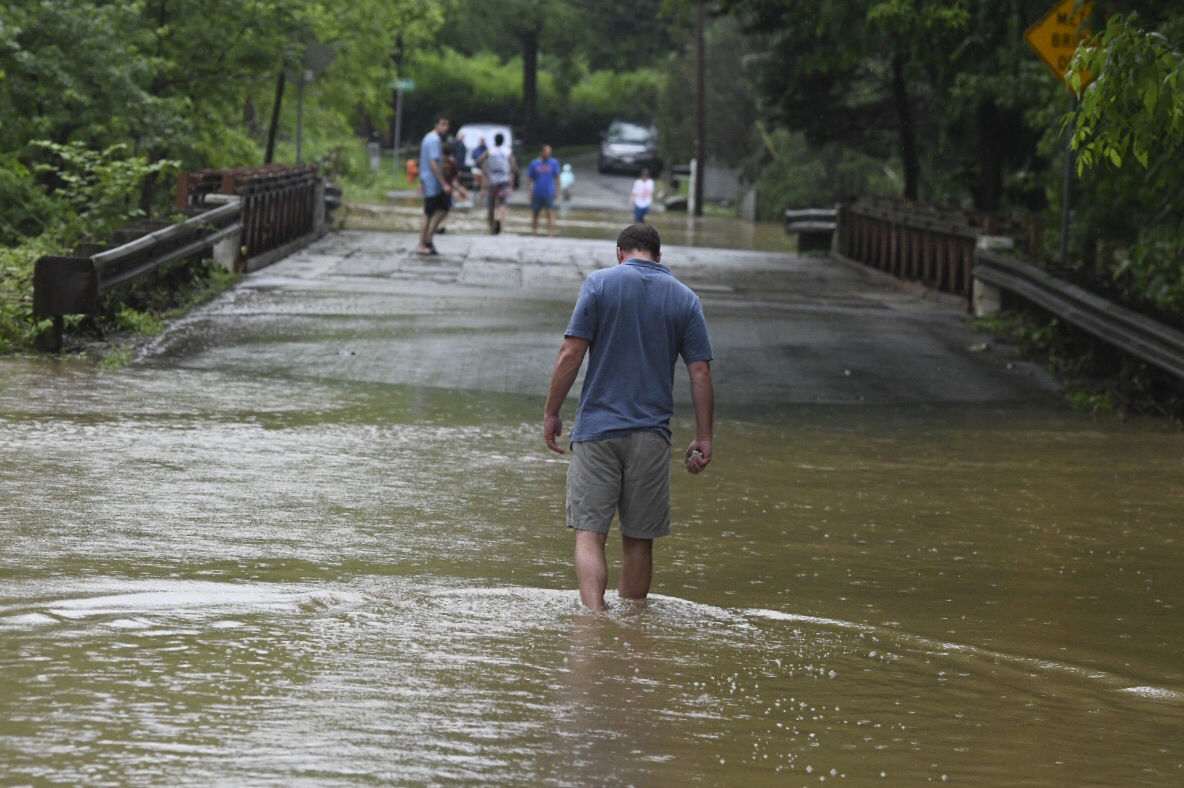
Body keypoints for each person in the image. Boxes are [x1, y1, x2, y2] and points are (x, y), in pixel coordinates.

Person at [543, 223, 715, 611]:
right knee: (638, 540)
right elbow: (700, 372)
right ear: (659, 255)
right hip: (651, 436)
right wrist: (704, 437)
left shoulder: (599, 284)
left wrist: (552, 411)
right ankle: (632, 634)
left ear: (619, 253)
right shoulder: (686, 299)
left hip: (597, 432)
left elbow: (571, 353)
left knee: (590, 534)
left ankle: (593, 624)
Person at [416, 114, 450, 255]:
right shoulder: (434, 140)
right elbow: (432, 162)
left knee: (443, 208)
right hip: (433, 183)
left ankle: (428, 238)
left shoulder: (427, 138)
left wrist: (420, 181)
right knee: (429, 213)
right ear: (436, 124)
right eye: (443, 124)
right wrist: (443, 183)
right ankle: (422, 243)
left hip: (428, 181)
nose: (445, 128)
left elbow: (422, 160)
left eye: (447, 125)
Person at [478, 132, 516, 235]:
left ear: (494, 140)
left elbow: (480, 160)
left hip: (492, 179)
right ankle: (499, 218)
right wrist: (511, 175)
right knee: (502, 203)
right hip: (504, 179)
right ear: (503, 140)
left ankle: (491, 228)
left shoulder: (490, 150)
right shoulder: (507, 150)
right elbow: (513, 164)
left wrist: (484, 169)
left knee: (491, 204)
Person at [527, 144, 561, 236]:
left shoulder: (554, 163)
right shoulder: (534, 163)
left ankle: (550, 233)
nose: (548, 154)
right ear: (541, 152)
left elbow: (557, 177)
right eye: (546, 152)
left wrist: (558, 190)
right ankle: (534, 232)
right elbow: (530, 179)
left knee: (550, 212)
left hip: (549, 191)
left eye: (549, 152)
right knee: (535, 213)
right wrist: (530, 191)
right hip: (537, 191)